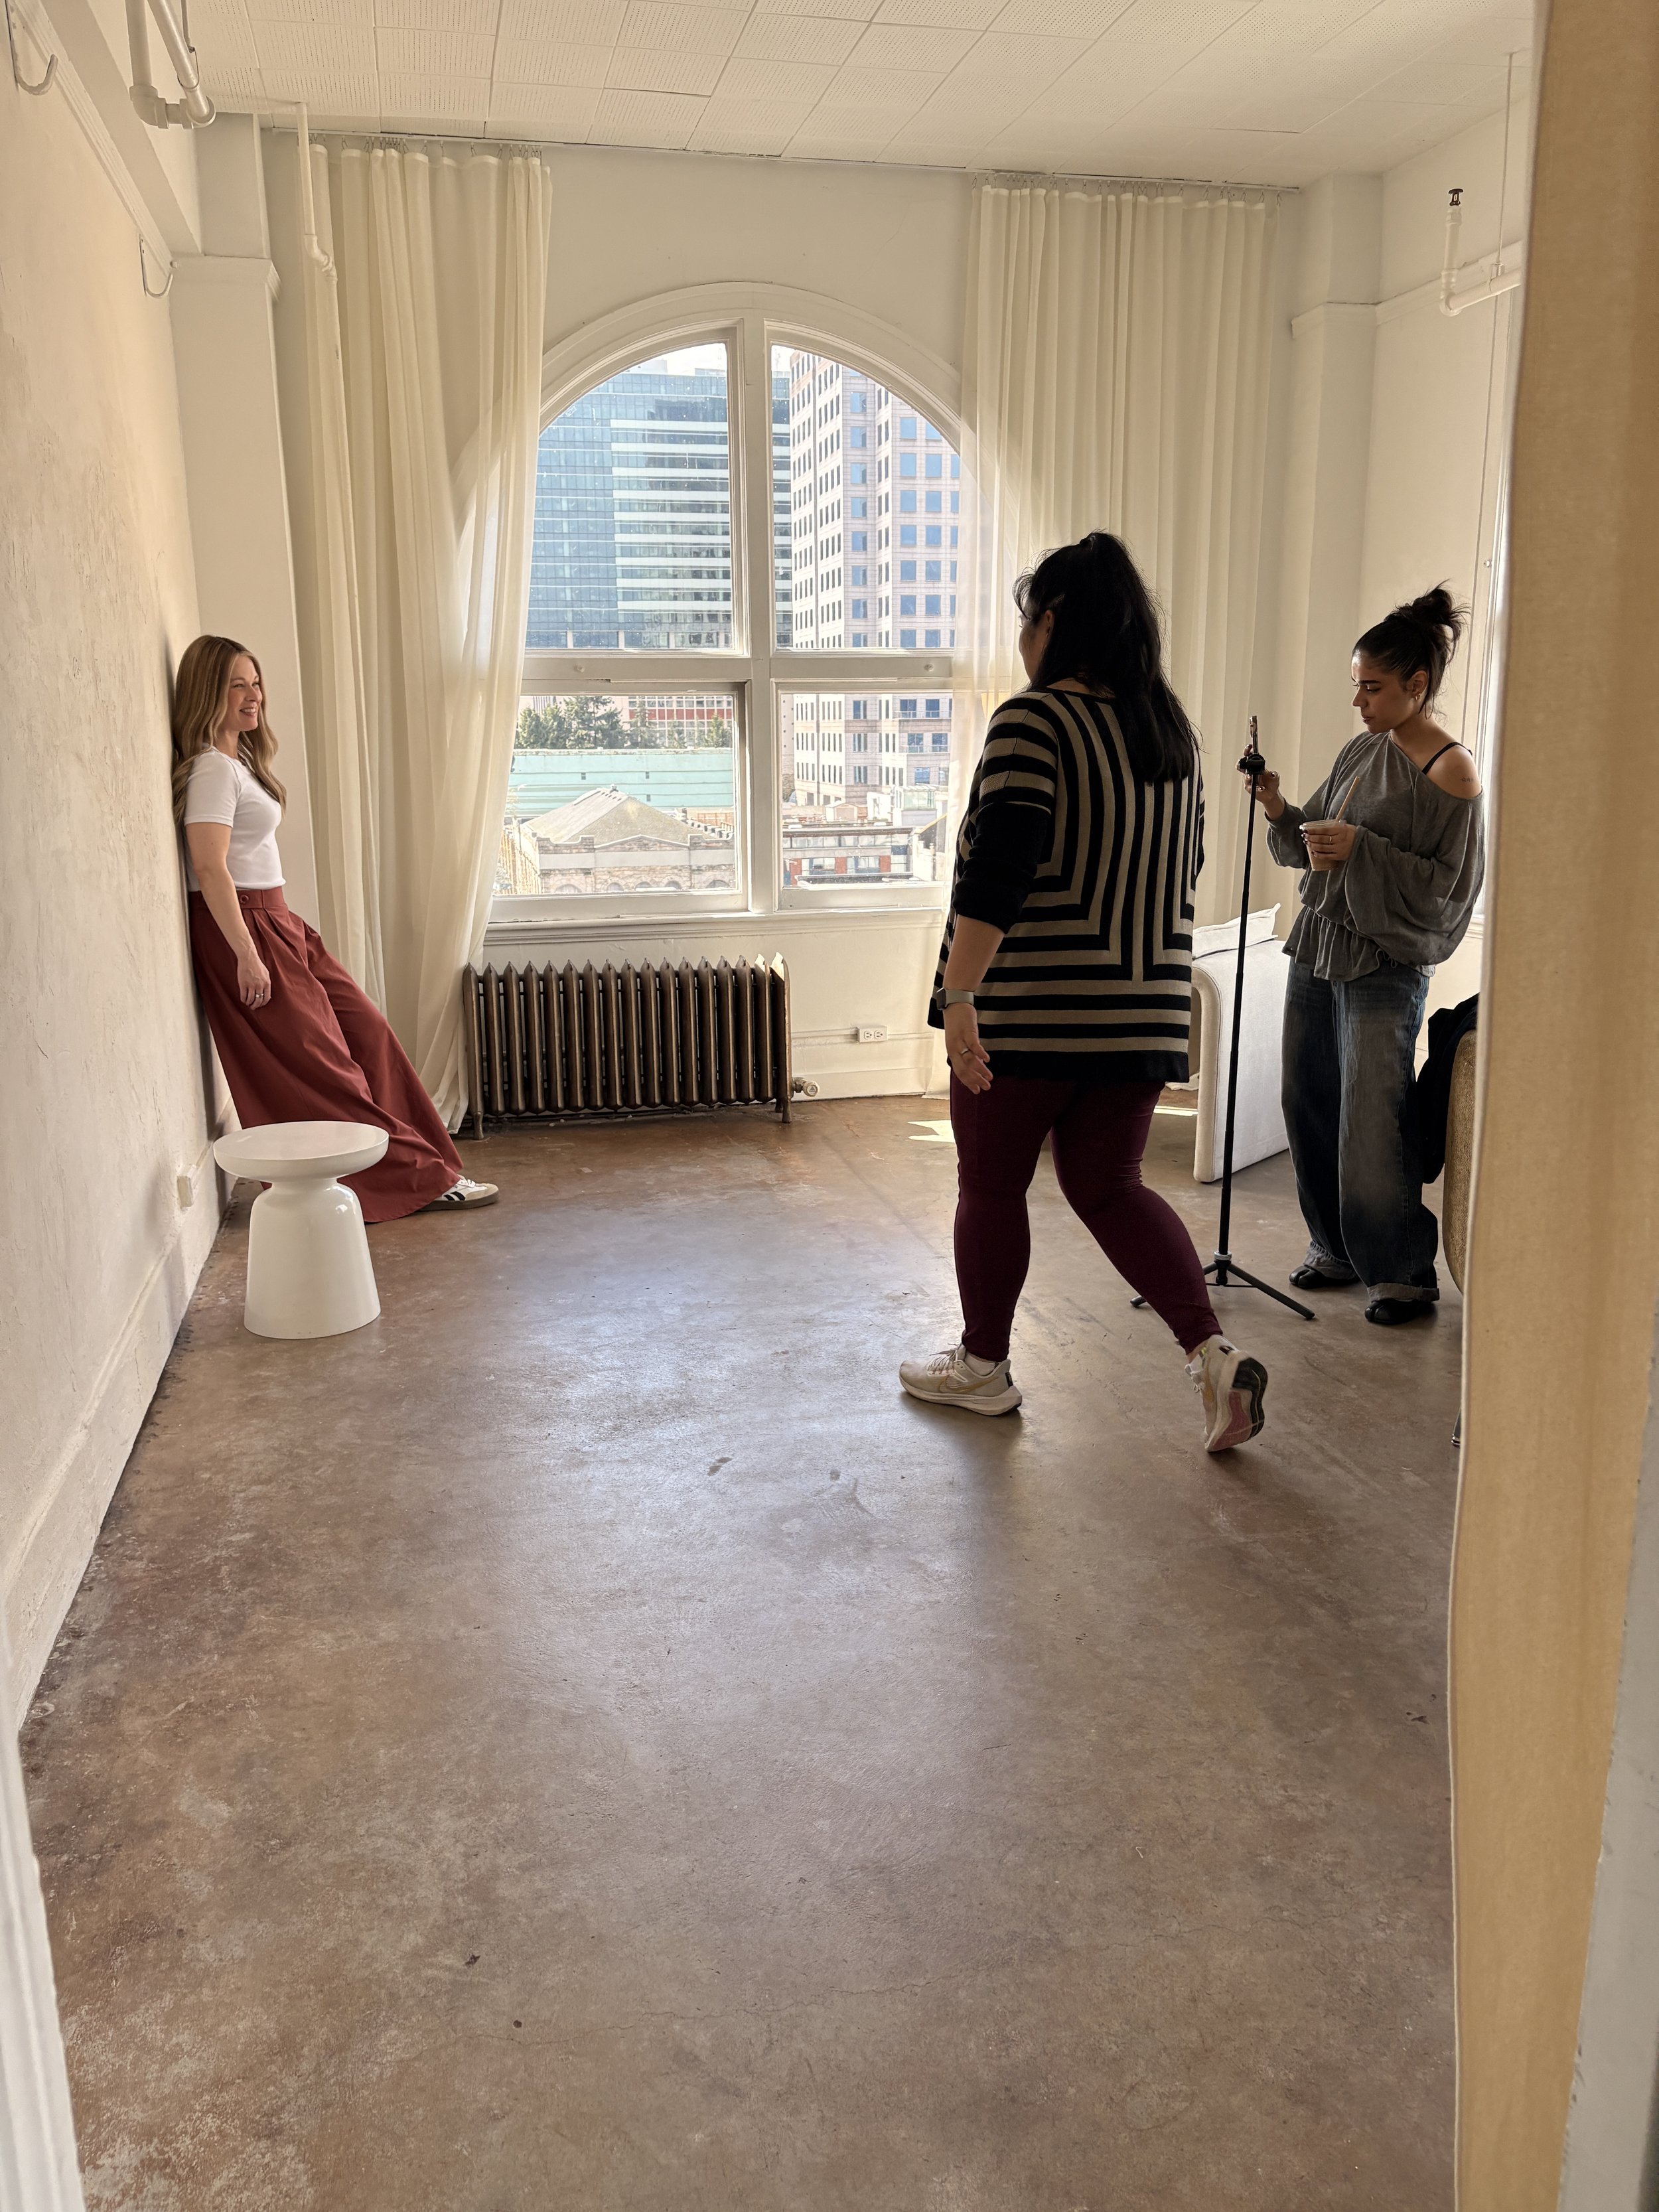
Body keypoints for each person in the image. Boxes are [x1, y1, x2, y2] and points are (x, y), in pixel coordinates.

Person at [900, 534, 1267, 1453]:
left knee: (990, 1183)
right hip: (1143, 1015)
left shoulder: (1035, 722)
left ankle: (984, 1366)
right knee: (1109, 1186)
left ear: (1054, 621)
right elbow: (1186, 870)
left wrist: (957, 1001)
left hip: (1030, 1010)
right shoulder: (1172, 736)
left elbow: (998, 878)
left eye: (1028, 620)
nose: (1023, 640)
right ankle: (1212, 1355)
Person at [173, 634, 498, 1222]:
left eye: (255, 681)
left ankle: (427, 1164)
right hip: (246, 928)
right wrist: (247, 953)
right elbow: (208, 866)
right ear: (207, 695)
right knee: (325, 1063)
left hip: (276, 918)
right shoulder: (210, 771)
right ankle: (415, 1181)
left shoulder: (238, 761)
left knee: (367, 1032)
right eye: (236, 686)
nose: (254, 697)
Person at [1245, 587, 1483, 1323]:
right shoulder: (1362, 748)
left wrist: (1362, 850)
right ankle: (1336, 1248)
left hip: (1385, 964)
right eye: (1355, 684)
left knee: (1372, 1119)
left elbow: (1450, 891)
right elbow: (1314, 834)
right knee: (1306, 1096)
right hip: (1319, 946)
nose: (1359, 700)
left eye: (1372, 687)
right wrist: (1281, 806)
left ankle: (1402, 1274)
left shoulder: (1452, 772)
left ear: (1418, 685)